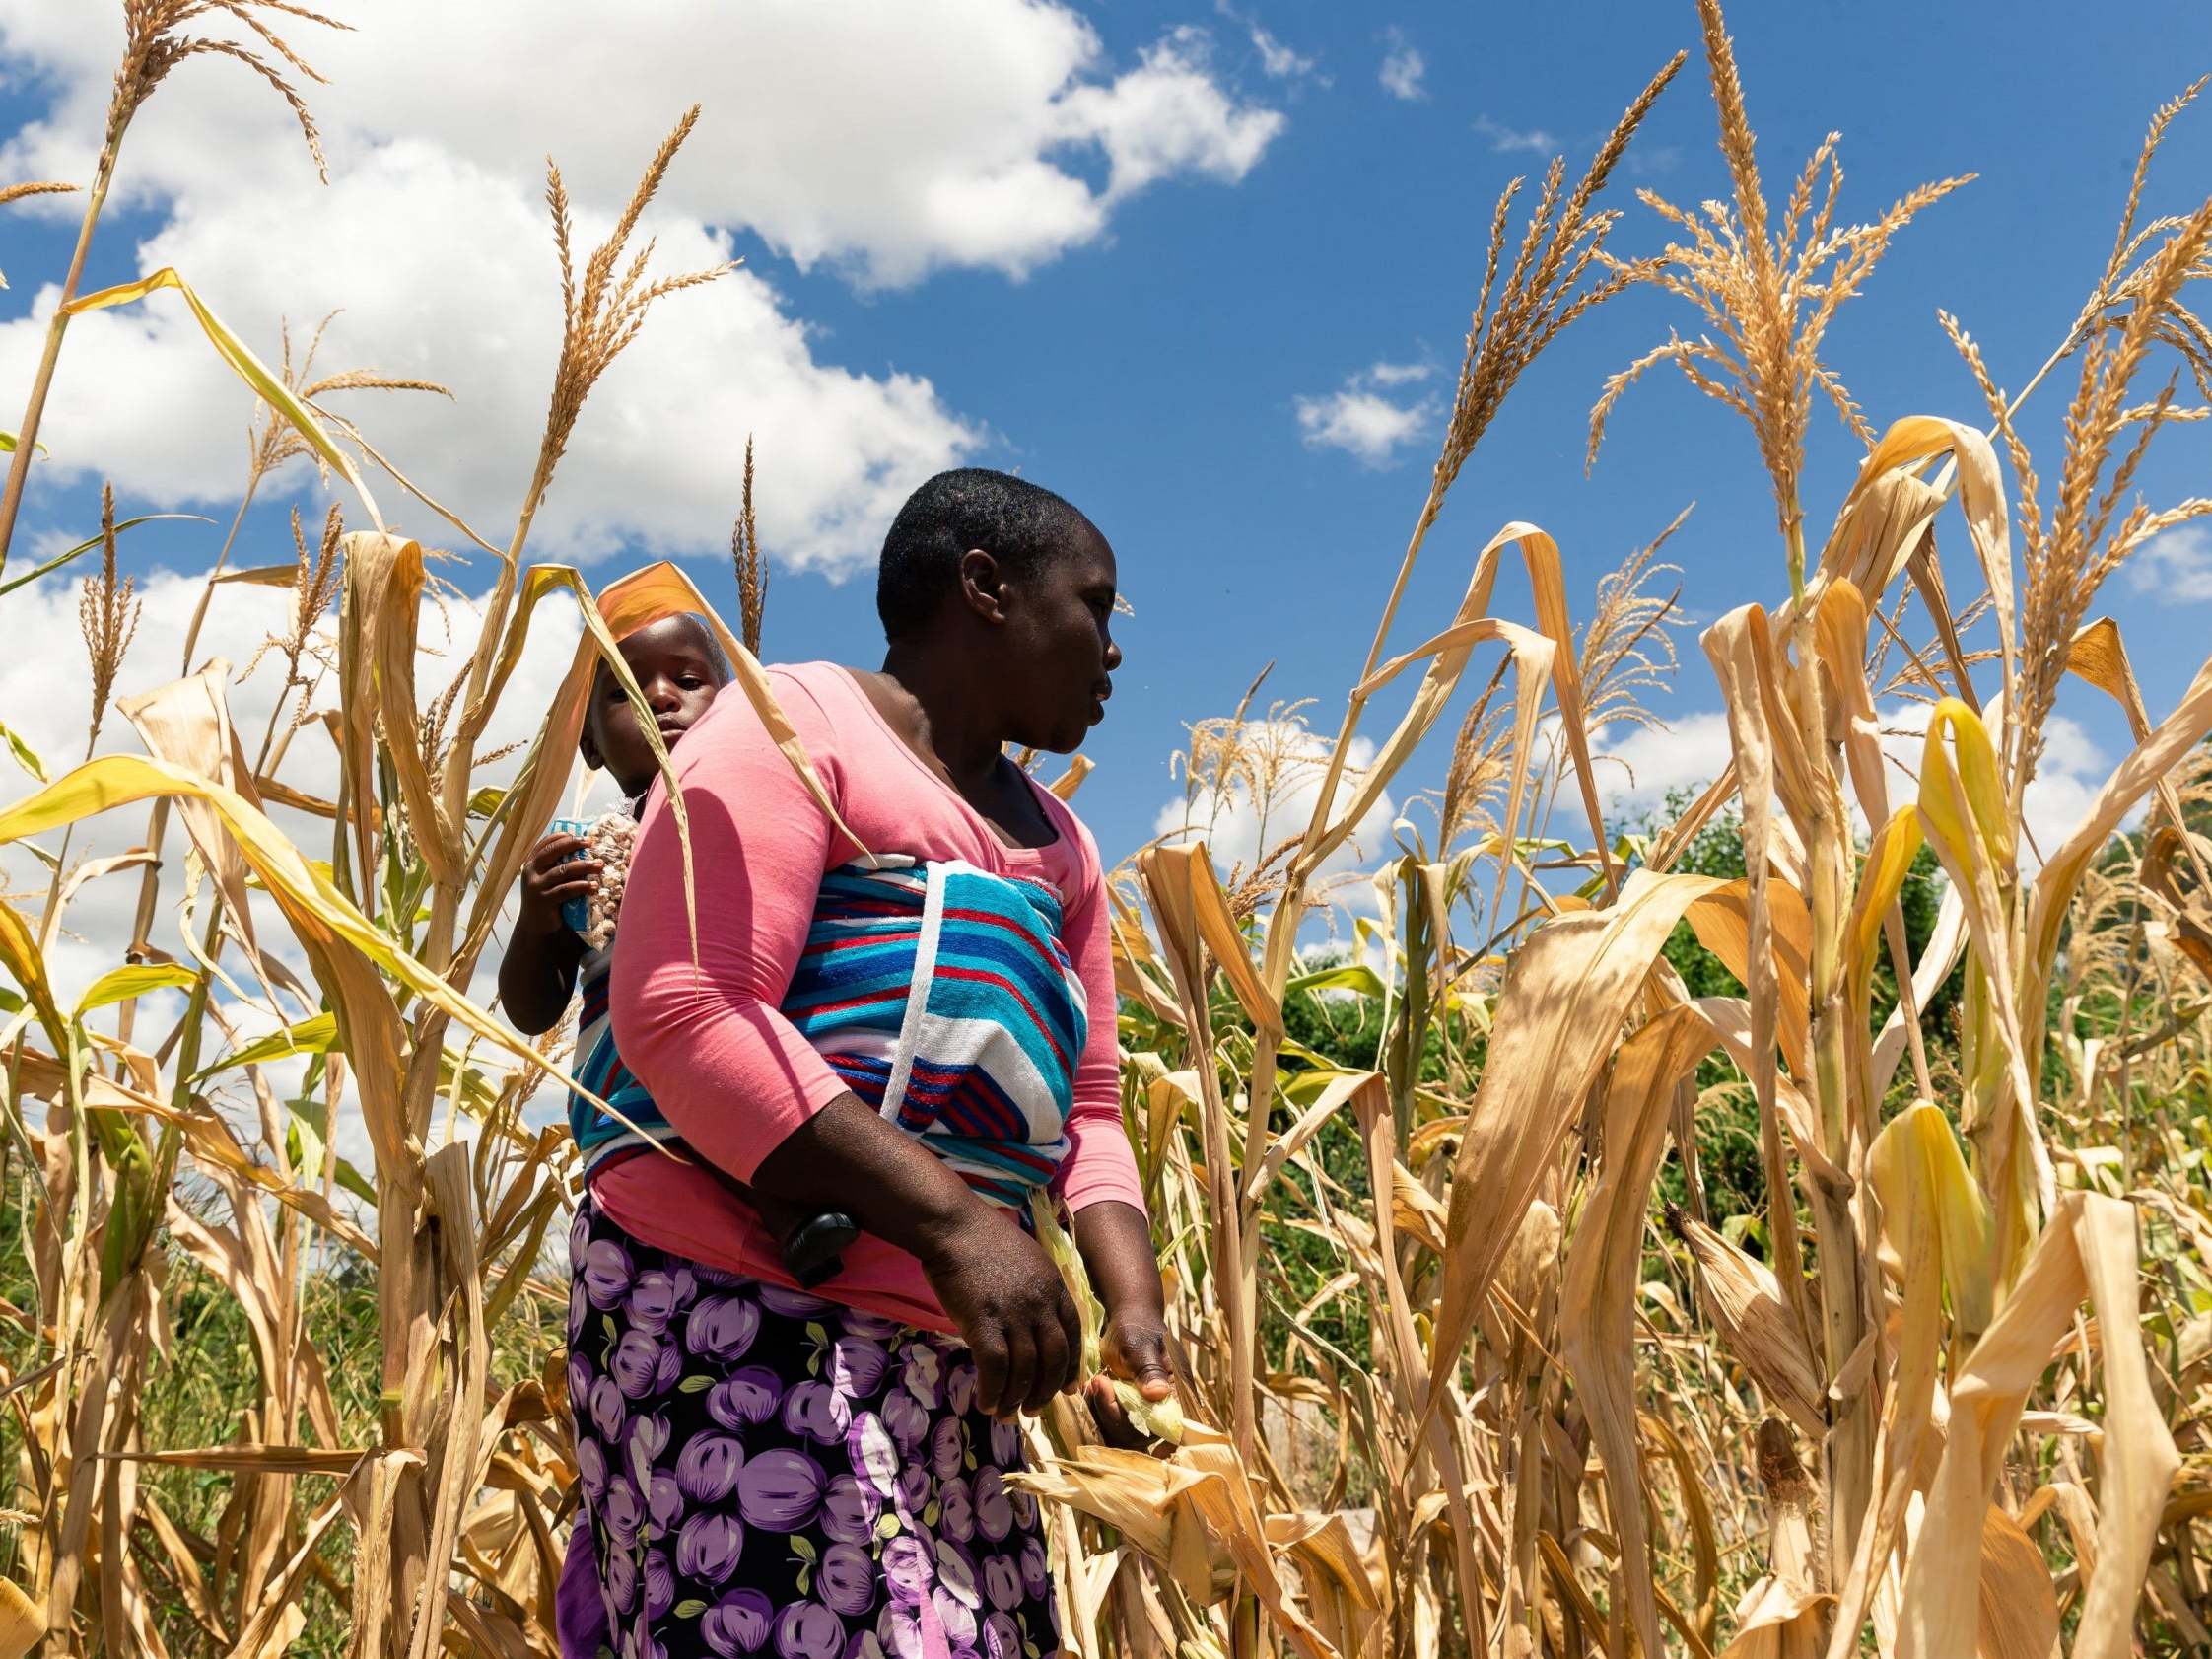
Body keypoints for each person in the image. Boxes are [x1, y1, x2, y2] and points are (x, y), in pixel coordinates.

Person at [566, 468, 1170, 1659]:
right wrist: (956, 1226)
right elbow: (687, 1008)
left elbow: (1088, 1106)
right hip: (736, 1308)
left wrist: (1133, 1312)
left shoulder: (1067, 848)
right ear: (984, 588)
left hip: (955, 1351)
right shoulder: (793, 724)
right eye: (1095, 607)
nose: (1111, 649)